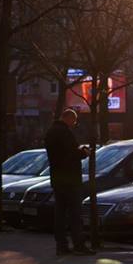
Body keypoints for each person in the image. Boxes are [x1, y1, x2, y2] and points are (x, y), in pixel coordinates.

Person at [45, 109, 93, 256]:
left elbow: (60, 154)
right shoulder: (65, 132)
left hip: (57, 178)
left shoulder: (51, 132)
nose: (74, 124)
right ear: (69, 118)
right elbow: (70, 154)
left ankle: (61, 245)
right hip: (70, 178)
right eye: (74, 121)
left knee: (60, 213)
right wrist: (83, 152)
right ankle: (79, 244)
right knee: (75, 213)